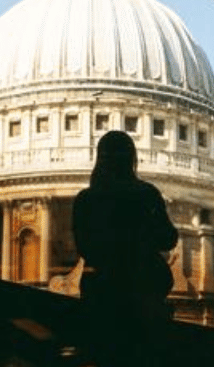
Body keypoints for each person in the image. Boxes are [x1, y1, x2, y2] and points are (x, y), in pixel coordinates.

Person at [73, 130, 178, 365]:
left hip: (100, 295)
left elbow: (84, 248)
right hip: (143, 294)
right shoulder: (146, 194)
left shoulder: (85, 199)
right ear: (132, 159)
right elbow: (168, 238)